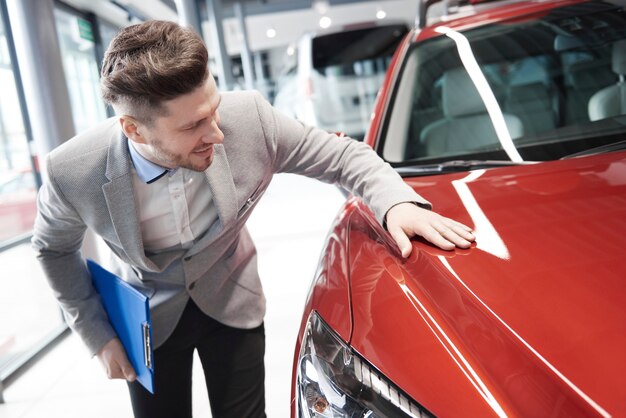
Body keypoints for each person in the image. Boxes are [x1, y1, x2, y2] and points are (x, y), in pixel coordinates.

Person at [32, 20, 474, 418]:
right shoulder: (72, 171)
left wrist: (395, 203)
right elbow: (53, 248)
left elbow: (343, 156)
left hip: (231, 296)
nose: (218, 134)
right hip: (145, 319)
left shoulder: (250, 119)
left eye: (214, 109)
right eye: (193, 127)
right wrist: (96, 333)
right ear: (134, 130)